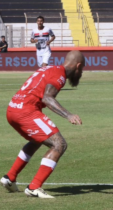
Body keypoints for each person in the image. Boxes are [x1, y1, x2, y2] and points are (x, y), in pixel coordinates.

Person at [1, 50, 85, 198]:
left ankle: (10, 177)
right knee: (59, 144)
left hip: (13, 109)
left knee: (36, 140)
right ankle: (34, 187)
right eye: (82, 69)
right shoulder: (60, 75)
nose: (81, 73)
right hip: (26, 112)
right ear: (78, 66)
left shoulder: (48, 68)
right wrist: (68, 115)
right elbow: (47, 97)